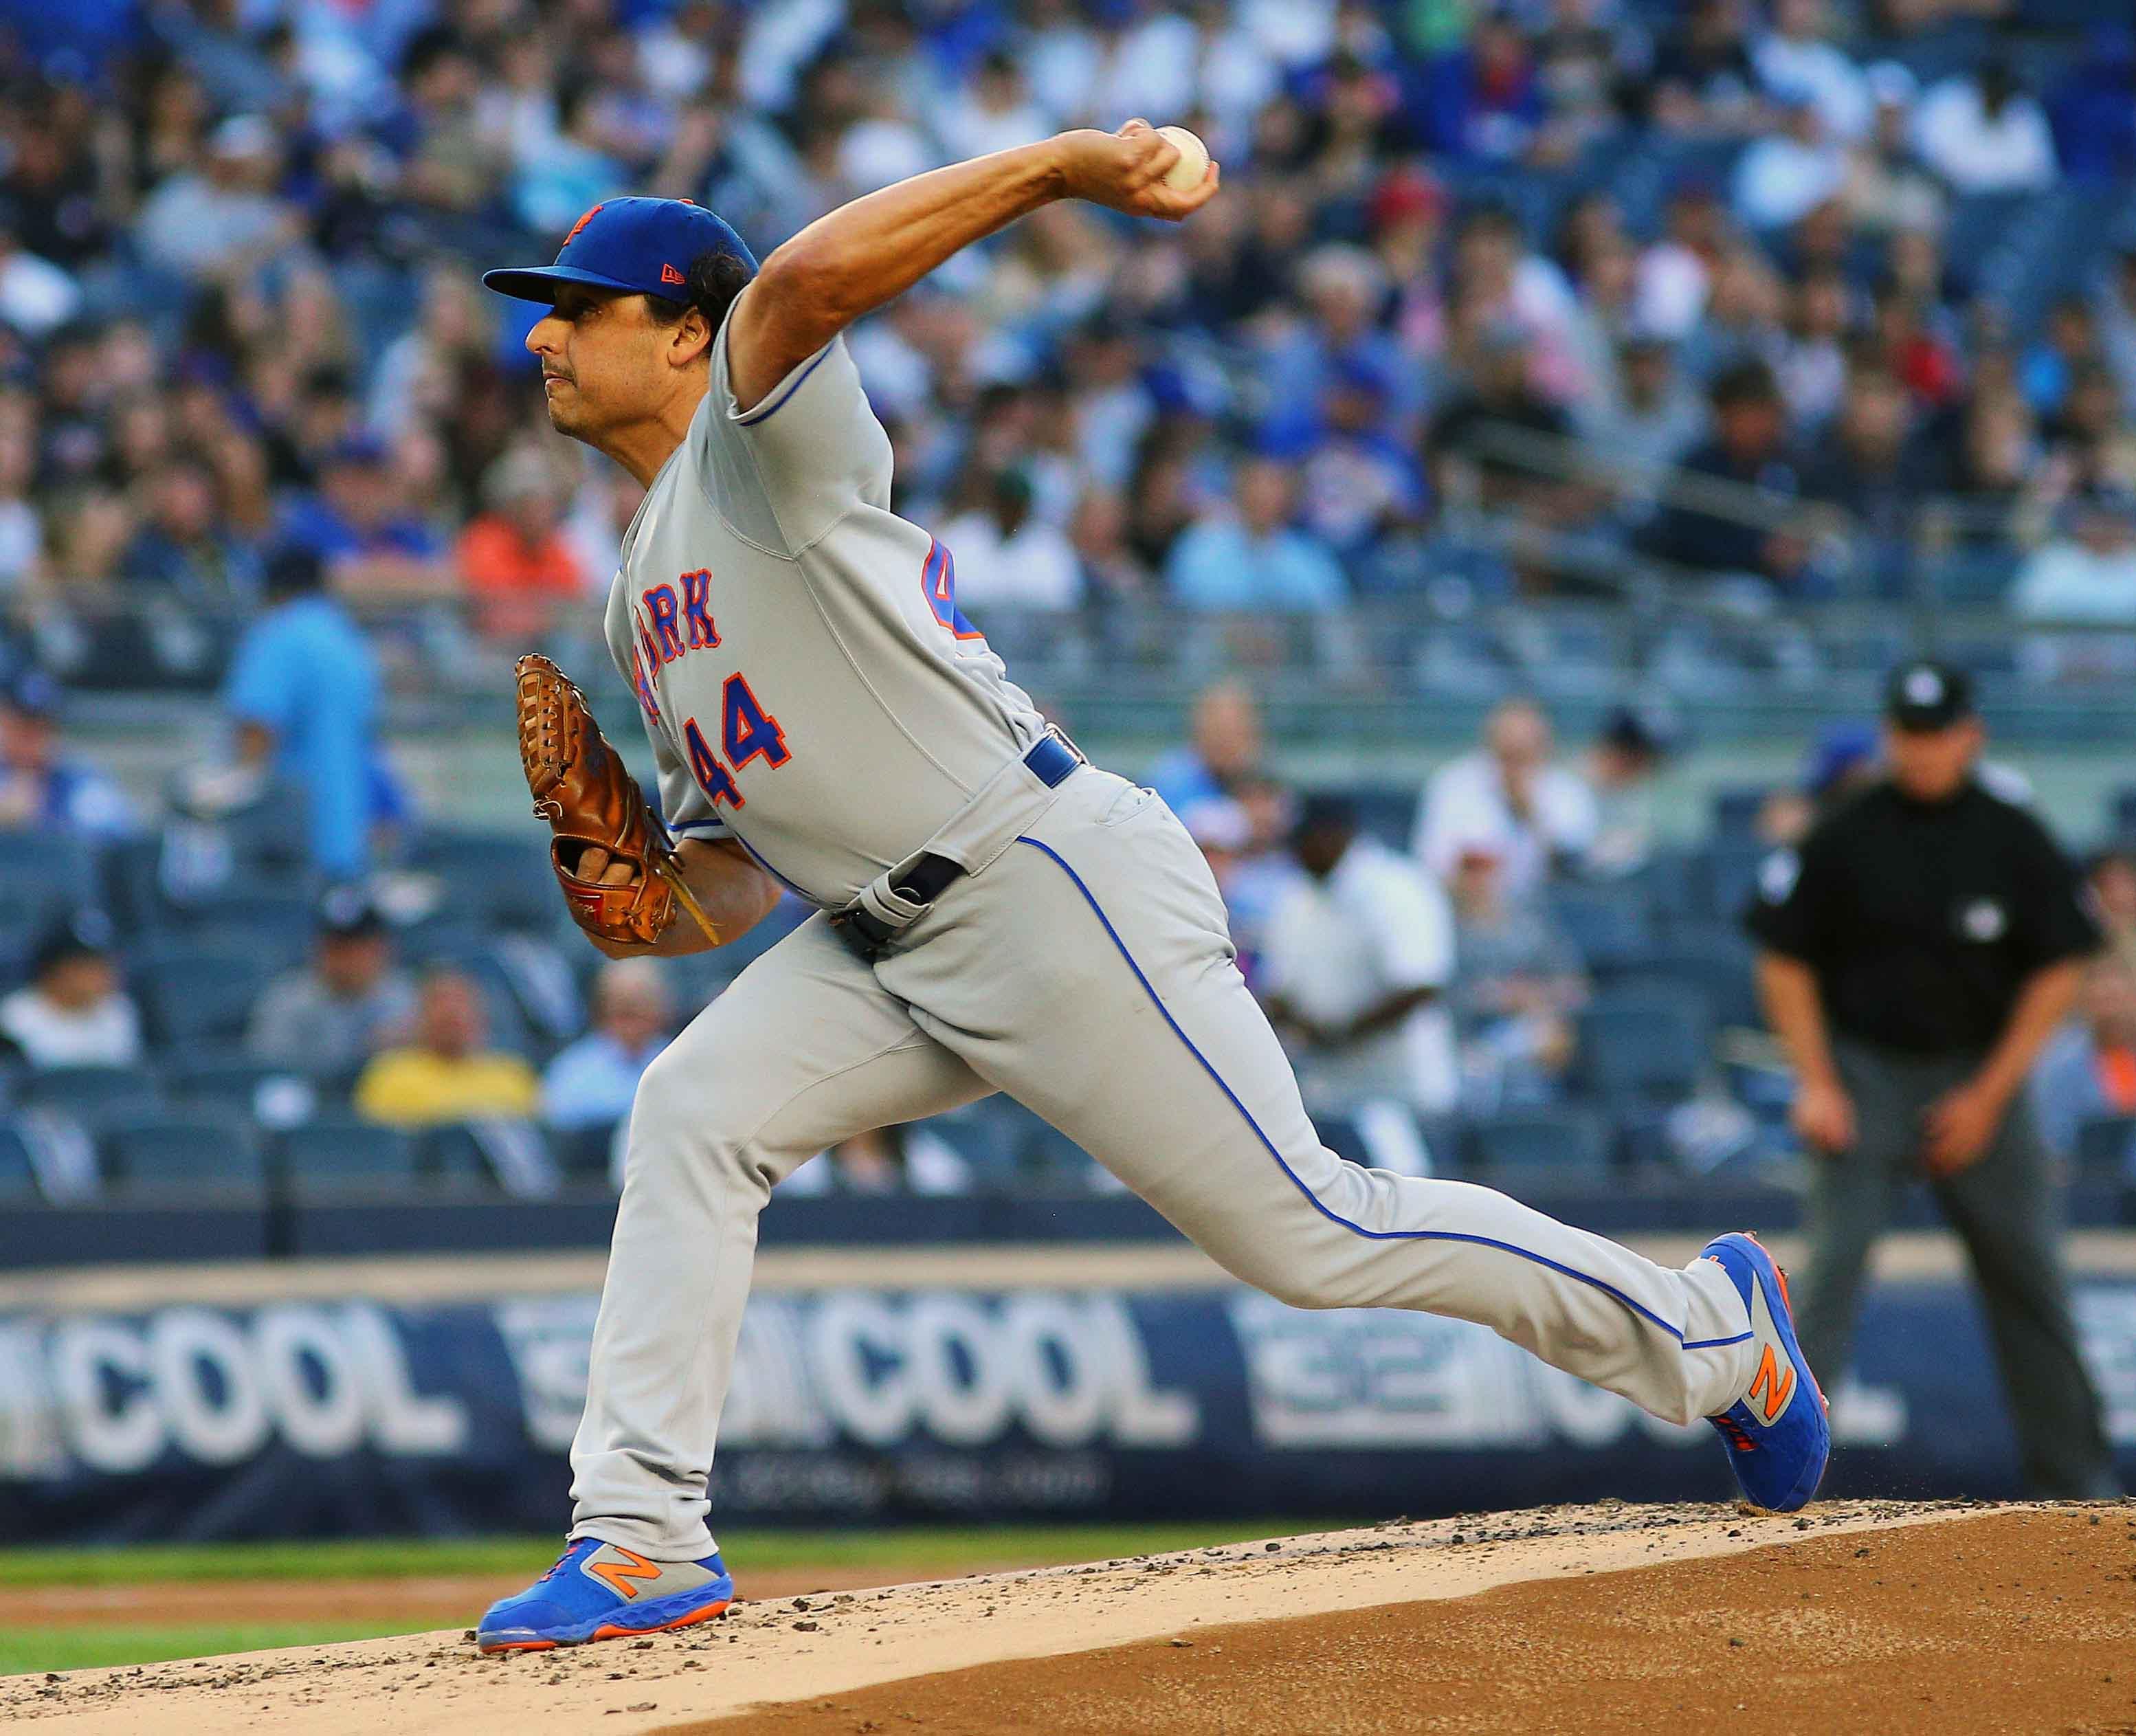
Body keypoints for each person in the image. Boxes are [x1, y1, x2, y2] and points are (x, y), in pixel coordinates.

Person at [470, 149, 1821, 1654]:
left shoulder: (752, 434)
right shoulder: (633, 588)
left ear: (678, 331)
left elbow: (794, 286)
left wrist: (1066, 167)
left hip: (1041, 878)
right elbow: (726, 871)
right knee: (692, 1111)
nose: (541, 336)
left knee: (1314, 1233)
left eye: (578, 307)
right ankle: (644, 1539)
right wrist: (635, 896)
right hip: (877, 935)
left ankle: (1715, 1329)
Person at [1746, 659, 2115, 1498]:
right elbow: (1785, 961)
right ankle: (1776, 1489)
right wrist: (1817, 1082)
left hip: (1978, 1076)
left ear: (1970, 736)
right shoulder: (1846, 831)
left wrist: (1989, 1096)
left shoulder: (2010, 833)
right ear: (1888, 737)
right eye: (1906, 734)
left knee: (2033, 1281)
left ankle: (2082, 1491)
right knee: (1827, 1280)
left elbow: (2061, 966)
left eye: (1936, 734)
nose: (1920, 751)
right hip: (1864, 1076)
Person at [1258, 794, 1460, 1124]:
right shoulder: (1295, 896)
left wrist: (1345, 1034)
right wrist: (1311, 1029)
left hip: (1404, 1093)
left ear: (1336, 835)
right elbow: (1279, 989)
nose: (1297, 852)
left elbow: (1420, 986)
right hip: (1326, 1090)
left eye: (1306, 840)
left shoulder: (1398, 886)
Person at [221, 546, 383, 882]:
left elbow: (255, 731)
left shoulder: (279, 632)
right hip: (348, 836)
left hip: (288, 845)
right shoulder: (349, 641)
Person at [1412, 698, 1599, 905]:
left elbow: (1575, 874)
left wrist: (1530, 814)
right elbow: (1430, 863)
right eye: (1507, 752)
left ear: (1545, 746)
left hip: (1547, 914)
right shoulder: (1453, 783)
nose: (1514, 763)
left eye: (1524, 751)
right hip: (1464, 909)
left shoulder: (1569, 793)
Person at [245, 888, 416, 1077]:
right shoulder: (287, 1001)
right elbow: (271, 1073)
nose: (346, 960)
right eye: (336, 948)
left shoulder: (409, 998)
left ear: (382, 949)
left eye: (356, 948)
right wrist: (365, 1052)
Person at [353, 967, 539, 1129]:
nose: (451, 1011)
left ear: (482, 1017)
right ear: (419, 1018)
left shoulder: (514, 1077)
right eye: (439, 1005)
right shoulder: (388, 1075)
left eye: (461, 1003)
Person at [542, 957, 676, 1141]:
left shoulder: (681, 1060)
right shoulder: (571, 1070)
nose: (632, 1009)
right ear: (603, 1006)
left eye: (642, 1000)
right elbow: (559, 1130)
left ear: (662, 1007)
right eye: (622, 1002)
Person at [0, 911, 142, 1069]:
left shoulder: (119, 1011)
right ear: (59, 970)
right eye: (91, 967)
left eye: (107, 964)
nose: (106, 975)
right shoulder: (14, 1019)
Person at [2030, 958, 2136, 1169]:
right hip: (2099, 1189)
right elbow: (2055, 1144)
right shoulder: (2059, 1068)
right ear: (2085, 1004)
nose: (2110, 1011)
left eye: (2117, 998)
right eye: (2102, 1000)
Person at [0, 673, 128, 842]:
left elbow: (118, 838)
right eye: (22, 727)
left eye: (43, 728)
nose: (33, 738)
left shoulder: (79, 784)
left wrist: (41, 820)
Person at [1146, 679, 1262, 813]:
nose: (1228, 743)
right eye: (1220, 731)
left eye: (1238, 732)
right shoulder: (1170, 780)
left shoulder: (1261, 783)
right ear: (1199, 729)